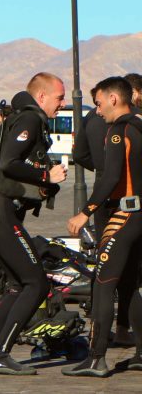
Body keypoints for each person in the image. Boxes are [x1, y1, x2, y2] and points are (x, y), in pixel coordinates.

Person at [0, 72, 67, 375]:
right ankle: (0, 353)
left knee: (16, 285)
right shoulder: (29, 119)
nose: (62, 105)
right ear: (41, 97)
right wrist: (45, 177)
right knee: (36, 283)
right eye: (59, 98)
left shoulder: (21, 118)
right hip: (0, 213)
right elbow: (7, 164)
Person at [63, 77, 142, 377]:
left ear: (113, 99)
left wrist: (85, 213)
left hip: (123, 215)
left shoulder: (118, 131)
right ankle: (141, 353)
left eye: (97, 104)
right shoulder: (139, 125)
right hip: (140, 216)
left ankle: (96, 357)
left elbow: (109, 179)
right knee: (131, 286)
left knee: (104, 284)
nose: (96, 111)